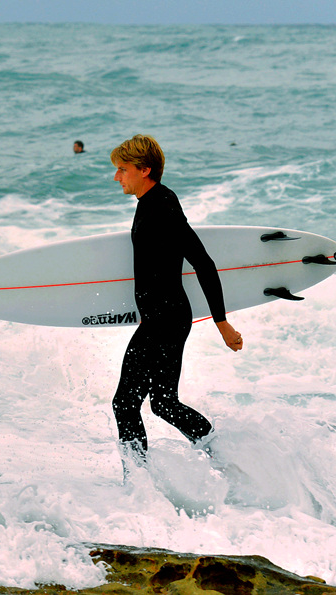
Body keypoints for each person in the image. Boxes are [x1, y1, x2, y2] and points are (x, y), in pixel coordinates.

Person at [109, 134, 243, 470]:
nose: (116, 177)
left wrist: (221, 322)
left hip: (165, 319)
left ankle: (137, 481)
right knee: (163, 403)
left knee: (125, 404)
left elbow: (203, 262)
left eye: (122, 169)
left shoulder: (163, 206)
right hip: (161, 318)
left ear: (145, 170)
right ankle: (226, 457)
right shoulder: (149, 202)